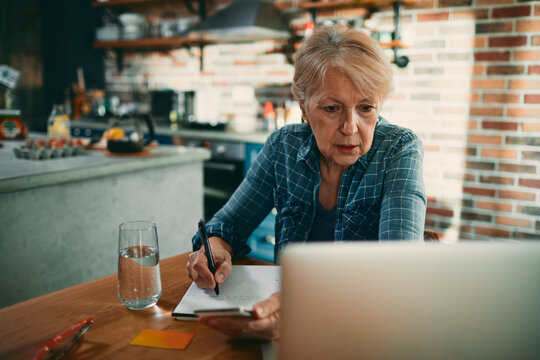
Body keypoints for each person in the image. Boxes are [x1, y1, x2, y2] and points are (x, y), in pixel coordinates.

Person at [186, 25, 427, 340]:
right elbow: (227, 224)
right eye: (332, 108)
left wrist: (304, 307)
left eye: (366, 108)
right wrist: (214, 249)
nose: (350, 127)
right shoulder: (283, 146)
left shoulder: (398, 149)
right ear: (303, 107)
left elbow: (402, 268)